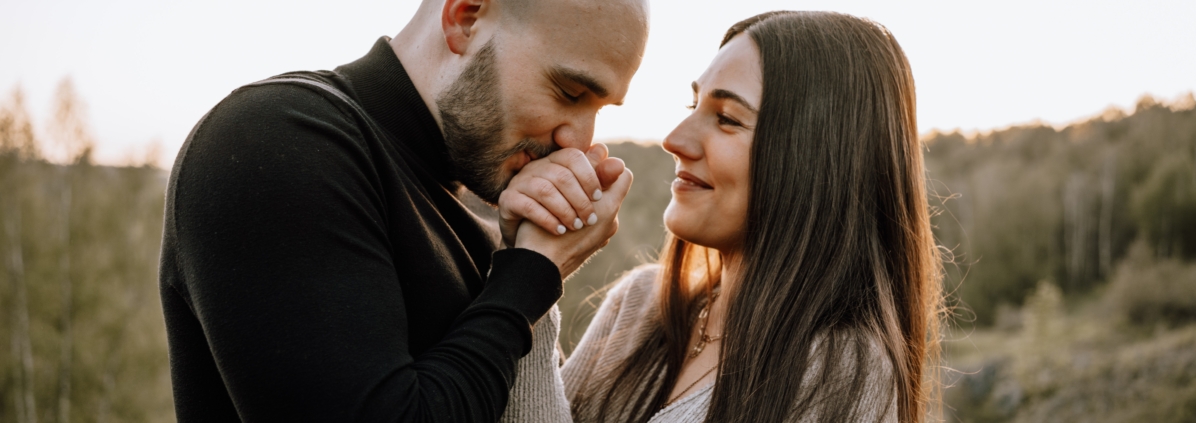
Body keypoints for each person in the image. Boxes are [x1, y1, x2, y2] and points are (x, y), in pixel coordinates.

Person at [157, 0, 646, 421]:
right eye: (570, 93)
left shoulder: (475, 218)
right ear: (465, 18)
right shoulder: (278, 140)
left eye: (600, 109)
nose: (579, 141)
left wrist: (522, 262)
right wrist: (531, 275)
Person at [556, 11, 943, 423]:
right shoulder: (637, 306)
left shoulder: (843, 373)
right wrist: (533, 275)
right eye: (694, 104)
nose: (674, 139)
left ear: (816, 160)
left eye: (726, 118)